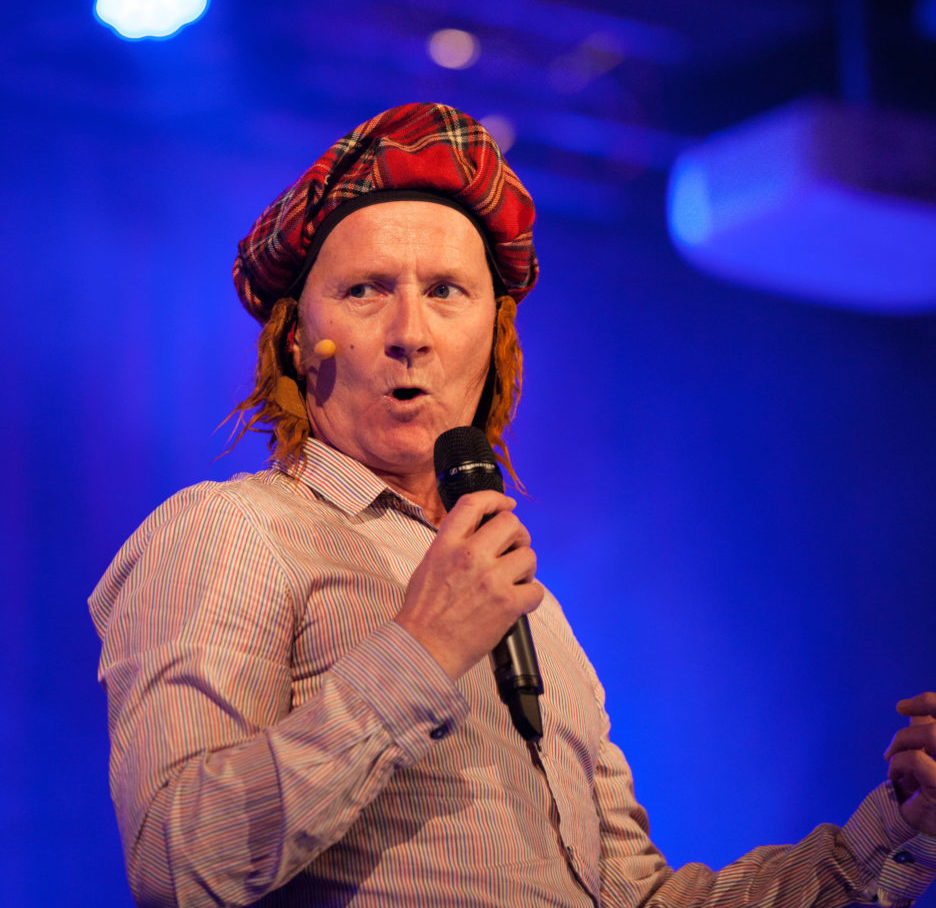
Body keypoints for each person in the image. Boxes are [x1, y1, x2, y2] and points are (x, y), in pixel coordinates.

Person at [89, 103, 936, 908]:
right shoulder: (231, 530)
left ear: (493, 343)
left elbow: (638, 898)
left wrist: (900, 827)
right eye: (365, 290)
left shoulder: (533, 613)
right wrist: (421, 653)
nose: (410, 332)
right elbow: (174, 861)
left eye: (446, 291)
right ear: (300, 340)